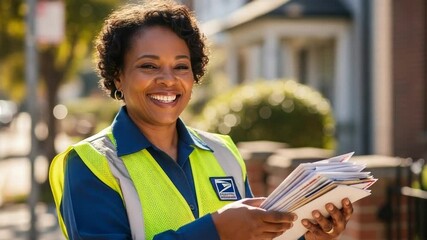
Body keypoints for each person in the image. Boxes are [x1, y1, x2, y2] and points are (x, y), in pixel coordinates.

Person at [49, 0, 354, 239]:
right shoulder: (91, 163)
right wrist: (216, 231)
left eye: (181, 67)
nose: (168, 80)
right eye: (149, 66)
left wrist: (309, 235)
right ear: (117, 76)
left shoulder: (223, 152)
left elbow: (253, 236)